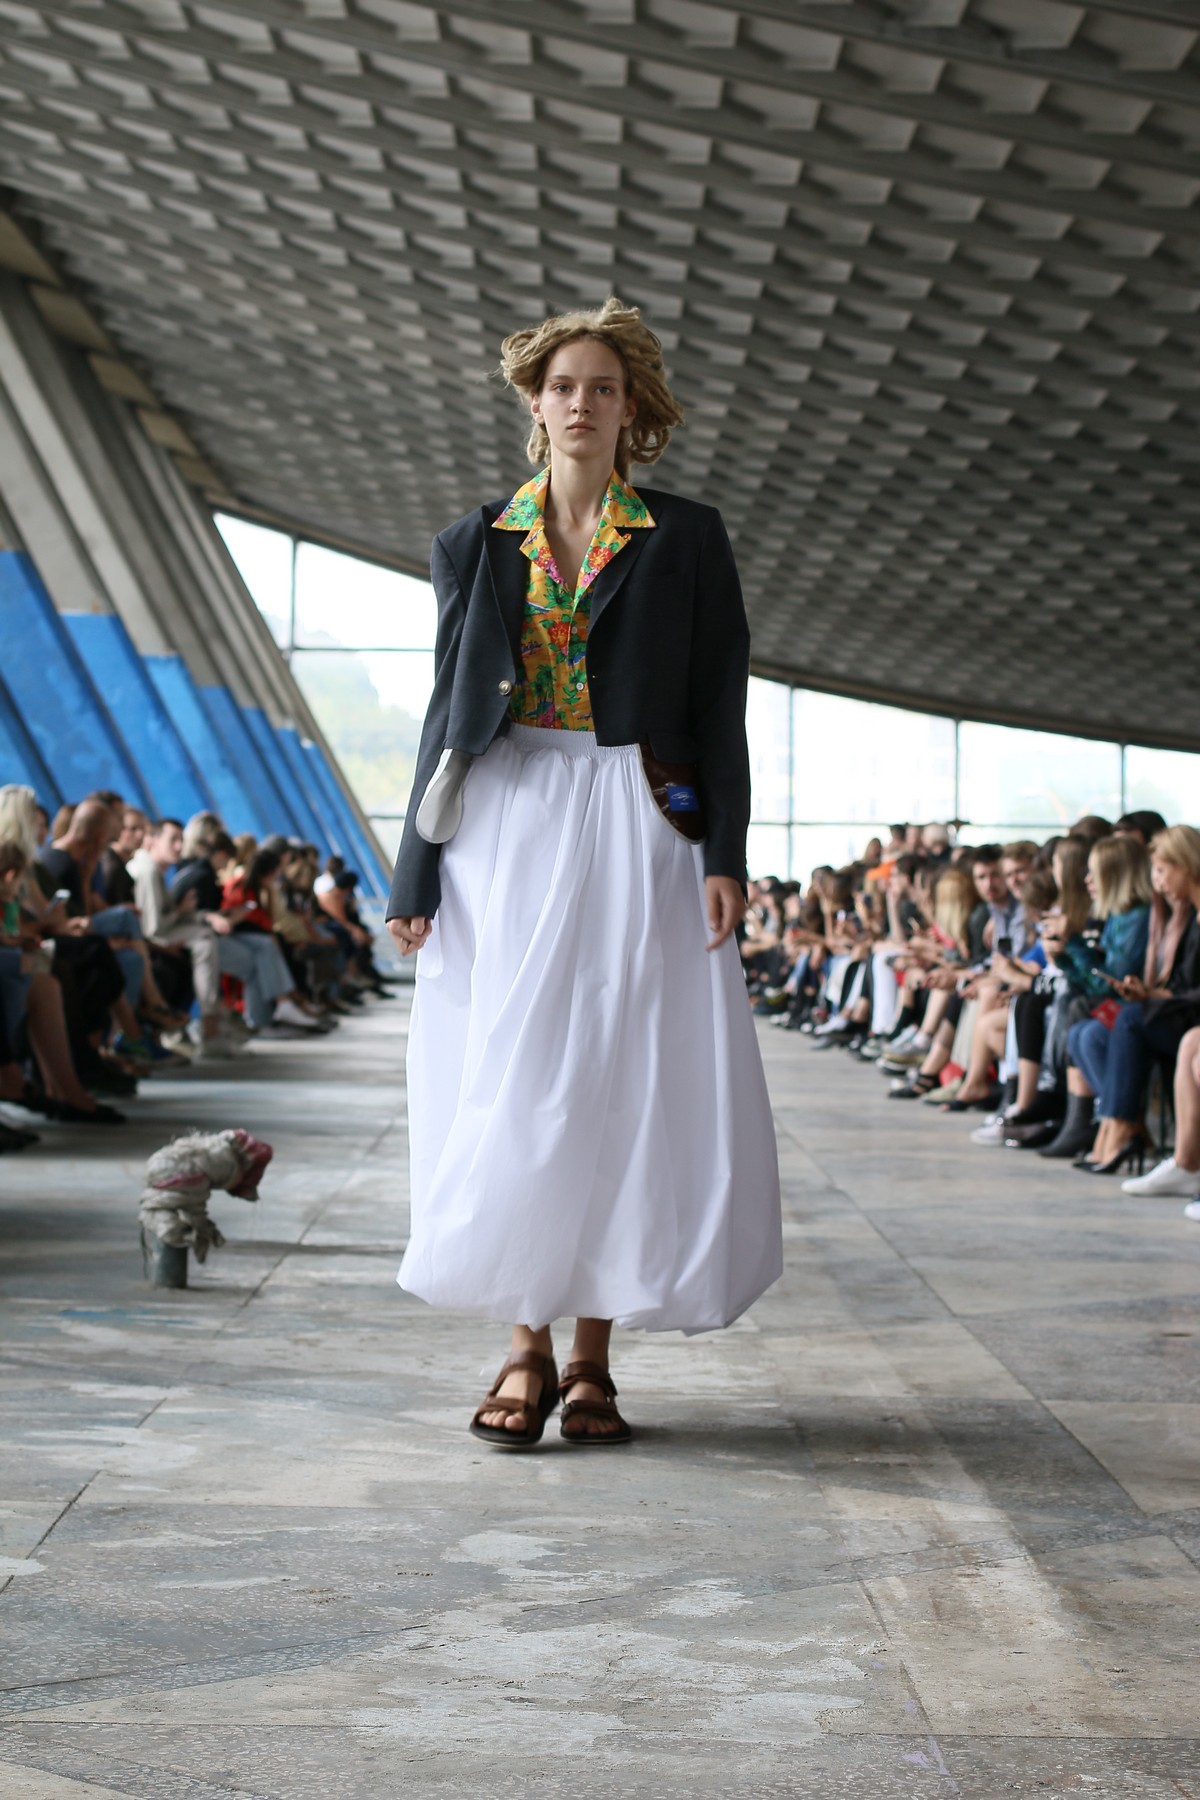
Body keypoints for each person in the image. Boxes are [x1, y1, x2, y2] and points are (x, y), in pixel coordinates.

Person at [385, 297, 782, 1448]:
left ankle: (592, 1357)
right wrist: (415, 871)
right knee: (512, 1072)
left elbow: (717, 708)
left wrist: (724, 853)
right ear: (535, 399)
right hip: (507, 816)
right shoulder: (473, 542)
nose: (582, 404)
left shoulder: (686, 536)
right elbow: (447, 712)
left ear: (631, 408)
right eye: (564, 385)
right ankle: (524, 1343)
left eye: (604, 387)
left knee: (621, 1075)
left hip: (641, 813)